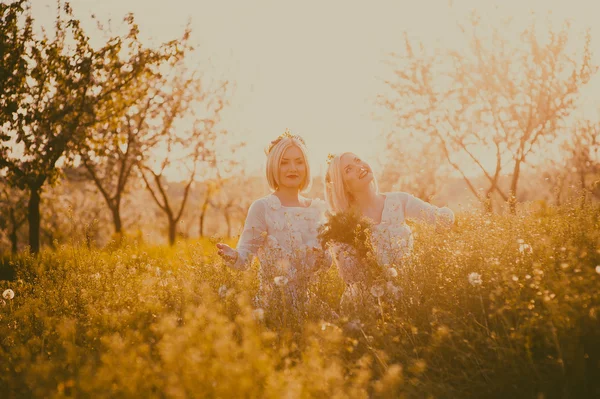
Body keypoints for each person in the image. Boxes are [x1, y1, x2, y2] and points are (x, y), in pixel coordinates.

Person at [216, 130, 330, 322]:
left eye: (298, 162)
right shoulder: (263, 207)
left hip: (310, 306)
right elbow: (244, 260)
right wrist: (234, 255)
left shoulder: (316, 209)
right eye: (284, 162)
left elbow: (326, 264)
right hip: (274, 307)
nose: (292, 168)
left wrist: (321, 258)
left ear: (306, 167)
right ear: (273, 167)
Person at [324, 152, 455, 316]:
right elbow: (352, 279)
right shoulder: (343, 225)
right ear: (344, 186)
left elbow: (441, 219)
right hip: (366, 309)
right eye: (349, 169)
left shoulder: (399, 201)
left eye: (358, 160)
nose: (359, 167)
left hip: (407, 298)